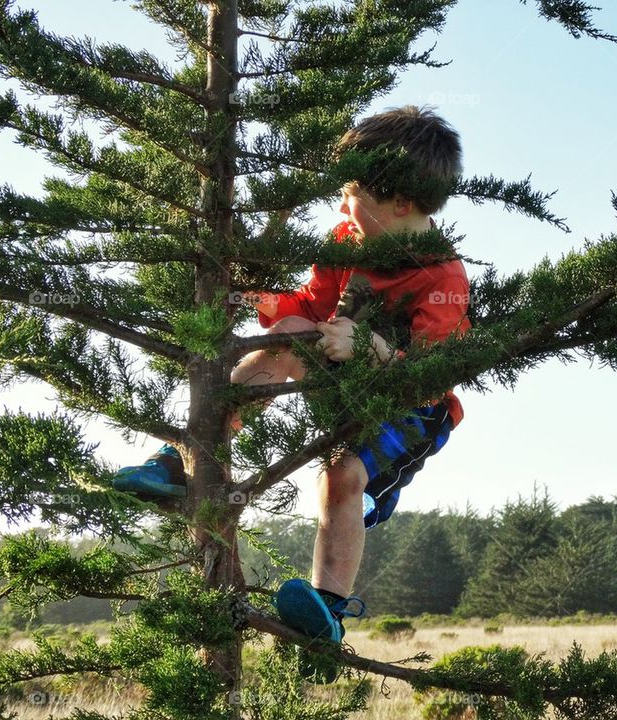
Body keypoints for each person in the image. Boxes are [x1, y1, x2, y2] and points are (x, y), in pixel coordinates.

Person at [114, 105, 470, 681]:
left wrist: (375, 349)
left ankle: (327, 613)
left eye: (352, 193)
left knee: (342, 474)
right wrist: (258, 296)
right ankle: (185, 459)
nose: (341, 205)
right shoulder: (344, 239)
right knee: (285, 334)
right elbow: (309, 308)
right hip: (338, 376)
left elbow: (433, 372)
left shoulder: (443, 277)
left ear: (398, 203)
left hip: (411, 412)